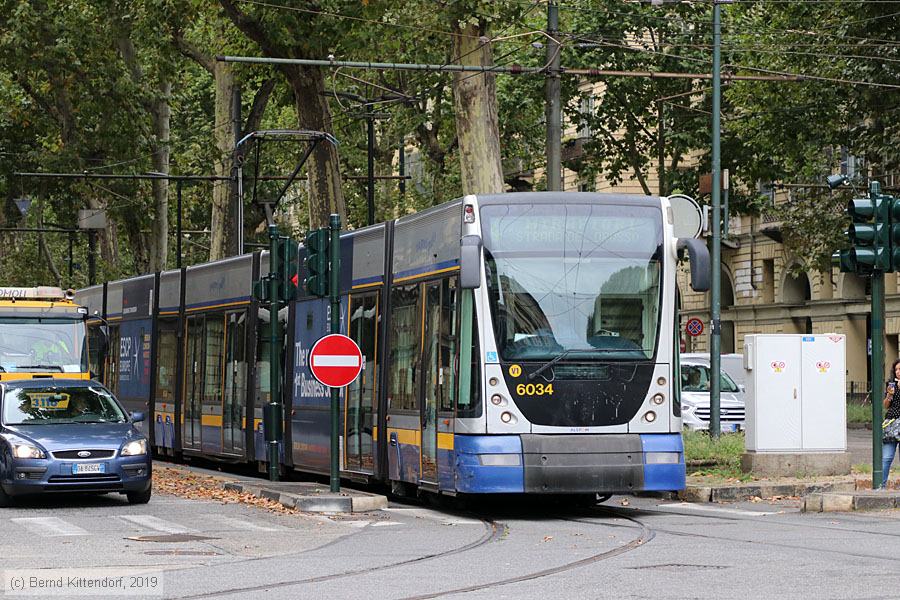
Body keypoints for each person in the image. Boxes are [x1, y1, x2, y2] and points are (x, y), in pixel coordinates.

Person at [881, 359, 900, 489]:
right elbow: (886, 406)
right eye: (896, 370)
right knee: (887, 457)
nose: (898, 372)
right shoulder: (891, 384)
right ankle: (881, 485)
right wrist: (889, 395)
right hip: (892, 423)